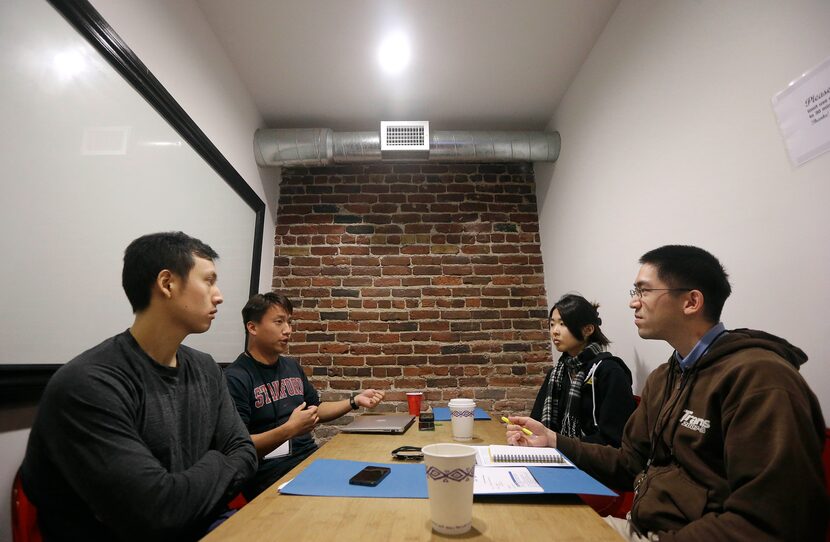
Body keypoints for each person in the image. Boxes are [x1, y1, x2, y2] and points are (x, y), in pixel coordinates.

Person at [506, 245, 828, 541]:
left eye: (644, 291)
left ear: (691, 302)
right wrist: (553, 441)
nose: (633, 301)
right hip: (641, 525)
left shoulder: (760, 380)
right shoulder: (666, 376)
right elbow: (629, 462)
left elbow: (769, 520)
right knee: (518, 525)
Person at [21, 232, 257, 541]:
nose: (219, 295)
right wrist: (217, 459)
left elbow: (245, 452)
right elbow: (158, 513)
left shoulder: (205, 369)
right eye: (209, 281)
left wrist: (192, 483)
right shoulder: (88, 384)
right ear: (167, 283)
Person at [225, 292, 385, 499]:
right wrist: (289, 429)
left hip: (309, 460)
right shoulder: (235, 378)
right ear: (252, 328)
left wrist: (354, 401)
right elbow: (240, 446)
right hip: (271, 475)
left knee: (369, 474)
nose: (288, 330)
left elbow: (315, 407)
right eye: (279, 322)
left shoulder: (291, 366)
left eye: (289, 322)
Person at [530, 294, 635, 447]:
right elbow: (536, 422)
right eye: (552, 324)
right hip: (556, 455)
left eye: (563, 324)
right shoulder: (557, 373)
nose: (555, 331)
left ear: (588, 330)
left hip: (593, 462)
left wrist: (557, 443)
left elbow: (614, 438)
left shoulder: (609, 371)